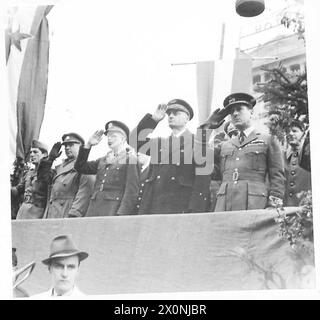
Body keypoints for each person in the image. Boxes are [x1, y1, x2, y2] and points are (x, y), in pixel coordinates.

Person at [204, 92, 285, 212]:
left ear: (251, 112)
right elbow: (198, 157)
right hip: (225, 205)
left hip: (254, 205)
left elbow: (277, 176)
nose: (235, 114)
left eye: (239, 109)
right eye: (231, 111)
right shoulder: (224, 145)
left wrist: (273, 206)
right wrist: (206, 128)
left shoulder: (267, 140)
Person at [130, 99, 213, 215]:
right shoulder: (160, 143)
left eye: (176, 113)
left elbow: (202, 182)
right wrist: (153, 120)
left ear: (187, 118)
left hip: (181, 208)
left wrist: (195, 212)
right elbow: (133, 140)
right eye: (169, 114)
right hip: (155, 207)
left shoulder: (198, 143)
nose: (171, 116)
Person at [74, 121, 140, 216]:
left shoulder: (130, 159)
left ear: (123, 138)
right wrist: (88, 145)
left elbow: (132, 191)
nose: (110, 139)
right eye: (108, 136)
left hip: (113, 210)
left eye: (114, 136)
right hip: (94, 209)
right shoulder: (103, 160)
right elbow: (80, 167)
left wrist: (122, 214)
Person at [38, 133, 95, 219]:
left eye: (71, 145)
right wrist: (50, 159)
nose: (67, 148)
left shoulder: (84, 167)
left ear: (81, 146)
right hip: (52, 213)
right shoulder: (60, 167)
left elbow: (84, 195)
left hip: (67, 214)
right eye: (65, 146)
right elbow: (43, 179)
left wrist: (73, 216)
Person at [12, 140, 49, 219]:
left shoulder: (49, 172)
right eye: (30, 152)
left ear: (44, 154)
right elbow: (18, 190)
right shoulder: (29, 173)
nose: (32, 155)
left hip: (37, 213)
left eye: (35, 152)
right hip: (23, 212)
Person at [284, 120, 311, 206]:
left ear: (303, 133)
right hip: (286, 208)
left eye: (295, 131)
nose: (290, 134)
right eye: (288, 131)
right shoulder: (284, 156)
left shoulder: (309, 155)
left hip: (305, 208)